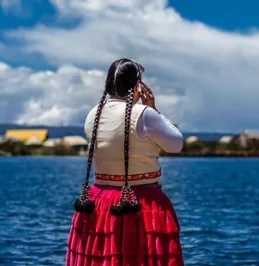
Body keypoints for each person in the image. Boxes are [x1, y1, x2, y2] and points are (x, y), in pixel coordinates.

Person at [66, 58, 184, 266]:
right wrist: (153, 109)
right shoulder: (144, 115)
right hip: (141, 202)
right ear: (137, 85)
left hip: (100, 201)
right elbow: (176, 144)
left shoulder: (93, 114)